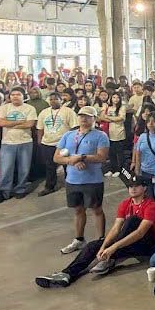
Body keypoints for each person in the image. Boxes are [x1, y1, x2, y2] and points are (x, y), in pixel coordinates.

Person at [35, 175, 155, 287]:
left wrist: (113, 247)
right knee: (92, 246)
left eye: (136, 186)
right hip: (128, 243)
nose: (132, 189)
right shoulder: (125, 204)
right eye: (130, 186)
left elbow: (140, 233)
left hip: (147, 245)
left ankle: (108, 259)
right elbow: (116, 228)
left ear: (144, 188)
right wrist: (104, 246)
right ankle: (66, 274)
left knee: (132, 221)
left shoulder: (151, 205)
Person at [56, 106, 110, 254]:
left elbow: (101, 157)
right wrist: (71, 161)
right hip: (72, 180)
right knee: (78, 210)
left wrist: (82, 157)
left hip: (92, 180)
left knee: (96, 210)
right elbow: (57, 157)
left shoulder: (100, 136)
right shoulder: (68, 135)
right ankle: (79, 239)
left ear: (94, 119)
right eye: (81, 116)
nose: (83, 119)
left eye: (87, 116)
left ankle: (100, 242)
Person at [0, 88, 38, 203]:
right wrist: (20, 122)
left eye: (18, 94)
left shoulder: (29, 108)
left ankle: (20, 189)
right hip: (7, 142)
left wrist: (10, 124)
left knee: (24, 168)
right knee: (5, 168)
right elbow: (1, 123)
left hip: (25, 142)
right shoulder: (4, 108)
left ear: (23, 96)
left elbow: (30, 124)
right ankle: (4, 191)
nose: (15, 97)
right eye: (12, 95)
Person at [35, 92, 78, 197]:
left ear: (61, 100)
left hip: (63, 144)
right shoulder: (44, 112)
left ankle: (71, 185)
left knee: (67, 165)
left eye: (55, 99)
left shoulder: (68, 112)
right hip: (47, 143)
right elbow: (40, 127)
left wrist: (72, 142)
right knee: (50, 166)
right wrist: (39, 139)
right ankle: (49, 186)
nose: (53, 101)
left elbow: (74, 127)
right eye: (51, 99)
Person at [101, 93, 128, 176]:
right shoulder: (109, 107)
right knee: (111, 153)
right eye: (114, 97)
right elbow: (102, 117)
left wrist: (108, 118)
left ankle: (120, 170)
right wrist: (104, 110)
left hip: (118, 133)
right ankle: (112, 169)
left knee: (119, 153)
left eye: (117, 97)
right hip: (109, 132)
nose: (115, 99)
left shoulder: (122, 107)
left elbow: (121, 118)